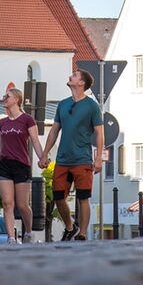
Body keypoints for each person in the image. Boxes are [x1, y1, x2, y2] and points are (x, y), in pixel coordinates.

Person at [40, 69, 103, 241]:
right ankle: (70, 226)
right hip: (62, 159)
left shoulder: (91, 106)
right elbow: (54, 131)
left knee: (83, 197)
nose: (71, 76)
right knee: (59, 197)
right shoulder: (63, 104)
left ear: (82, 83)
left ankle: (82, 233)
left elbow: (99, 133)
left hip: (82, 158)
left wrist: (98, 158)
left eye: (75, 75)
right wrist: (44, 154)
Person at [0, 87, 46, 244]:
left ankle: (28, 231)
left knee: (22, 205)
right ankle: (11, 238)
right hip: (5, 165)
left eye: (7, 96)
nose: (4, 99)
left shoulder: (27, 119)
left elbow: (35, 141)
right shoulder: (2, 123)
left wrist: (42, 157)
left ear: (16, 99)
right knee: (7, 203)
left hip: (21, 164)